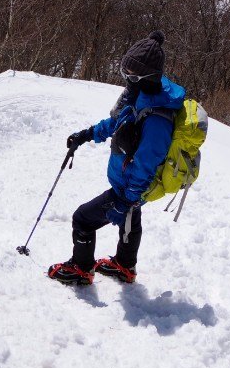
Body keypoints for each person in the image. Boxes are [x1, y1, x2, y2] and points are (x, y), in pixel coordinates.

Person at [48, 31, 185, 286]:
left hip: (131, 187)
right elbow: (119, 122)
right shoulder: (141, 96)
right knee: (131, 221)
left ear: (150, 76)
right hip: (128, 183)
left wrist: (128, 199)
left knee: (83, 219)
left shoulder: (158, 117)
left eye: (133, 75)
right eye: (126, 73)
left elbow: (147, 162)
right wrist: (88, 134)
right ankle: (125, 265)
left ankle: (81, 268)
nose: (128, 80)